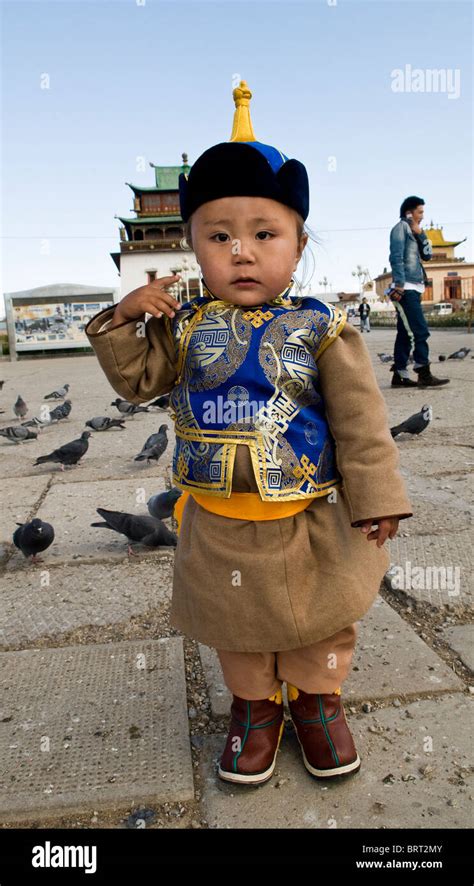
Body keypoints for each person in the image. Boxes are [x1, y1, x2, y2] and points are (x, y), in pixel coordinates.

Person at [85, 80, 413, 787]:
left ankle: (319, 702)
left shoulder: (325, 328)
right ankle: (256, 710)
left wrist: (377, 494)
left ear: (297, 246)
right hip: (218, 519)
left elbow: (361, 423)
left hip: (309, 515)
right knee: (236, 626)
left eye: (264, 235)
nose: (242, 252)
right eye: (219, 236)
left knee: (325, 619)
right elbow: (140, 382)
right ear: (194, 247)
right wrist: (125, 319)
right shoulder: (186, 326)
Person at [388, 197, 450, 387]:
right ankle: (423, 371)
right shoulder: (400, 229)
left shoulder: (415, 232)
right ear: (409, 213)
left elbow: (428, 255)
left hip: (414, 286)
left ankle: (399, 376)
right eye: (420, 212)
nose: (422, 216)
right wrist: (399, 284)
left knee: (405, 334)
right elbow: (396, 257)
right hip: (405, 287)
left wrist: (421, 233)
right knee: (419, 331)